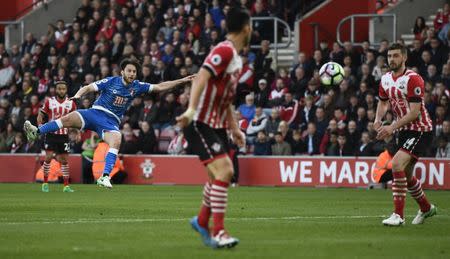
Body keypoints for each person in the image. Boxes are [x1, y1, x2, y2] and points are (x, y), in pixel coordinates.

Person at [24, 58, 195, 189]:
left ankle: (105, 177)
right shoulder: (111, 81)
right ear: (122, 72)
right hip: (94, 113)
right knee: (68, 118)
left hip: (110, 121)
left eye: (134, 71)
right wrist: (78, 95)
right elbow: (89, 87)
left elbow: (159, 87)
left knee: (117, 139)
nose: (132, 74)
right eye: (129, 71)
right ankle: (36, 131)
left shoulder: (137, 86)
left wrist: (183, 80)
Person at [176, 8, 250, 249]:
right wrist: (190, 110)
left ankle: (201, 221)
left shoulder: (236, 58)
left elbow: (225, 99)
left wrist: (235, 128)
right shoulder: (224, 50)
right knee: (226, 171)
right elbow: (201, 78)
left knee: (217, 177)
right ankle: (218, 232)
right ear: (246, 28)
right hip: (199, 121)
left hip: (217, 124)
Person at [375, 43, 437, 226]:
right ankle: (426, 208)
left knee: (396, 164)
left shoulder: (413, 79)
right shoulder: (385, 79)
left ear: (404, 58)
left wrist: (391, 127)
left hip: (420, 129)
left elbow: (414, 112)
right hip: (403, 130)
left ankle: (398, 216)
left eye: (395, 56)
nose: (391, 59)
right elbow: (383, 102)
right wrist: (378, 119)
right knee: (406, 175)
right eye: (389, 56)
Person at [37, 81, 77, 193]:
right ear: (56, 90)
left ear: (66, 90)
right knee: (48, 157)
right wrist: (40, 126)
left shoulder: (71, 103)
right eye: (59, 89)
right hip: (51, 134)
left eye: (63, 89)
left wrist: (76, 132)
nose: (61, 91)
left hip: (64, 135)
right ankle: (45, 183)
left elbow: (75, 118)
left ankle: (66, 186)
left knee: (64, 161)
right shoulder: (49, 102)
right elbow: (41, 114)